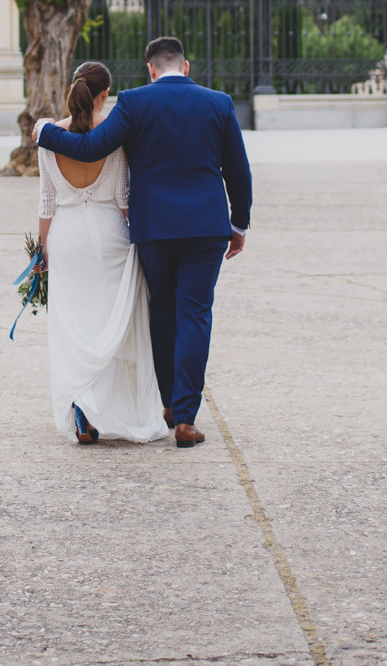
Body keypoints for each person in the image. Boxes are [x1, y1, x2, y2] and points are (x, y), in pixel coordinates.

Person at [35, 36, 251, 448]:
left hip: (154, 228)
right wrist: (238, 225)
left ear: (151, 69)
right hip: (206, 227)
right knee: (196, 314)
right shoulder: (219, 103)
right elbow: (238, 172)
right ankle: (185, 418)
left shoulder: (134, 102)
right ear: (185, 67)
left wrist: (45, 132)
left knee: (162, 311)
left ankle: (167, 402)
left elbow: (90, 145)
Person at [35, 61, 170, 445]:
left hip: (67, 237)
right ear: (105, 94)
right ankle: (105, 406)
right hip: (110, 236)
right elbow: (125, 198)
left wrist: (41, 248)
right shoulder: (116, 135)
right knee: (113, 324)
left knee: (74, 325)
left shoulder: (49, 135)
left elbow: (47, 200)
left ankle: (81, 403)